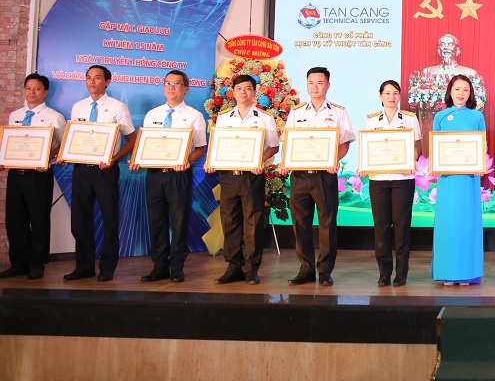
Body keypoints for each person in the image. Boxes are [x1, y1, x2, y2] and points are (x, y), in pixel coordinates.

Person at [130, 70, 207, 284]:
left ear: (186, 88)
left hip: (179, 175)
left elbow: (200, 148)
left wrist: (187, 160)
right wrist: (138, 159)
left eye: (176, 83)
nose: (171, 87)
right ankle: (159, 266)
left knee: (180, 221)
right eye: (167, 83)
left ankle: (176, 267)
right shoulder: (152, 115)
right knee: (156, 221)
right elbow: (145, 145)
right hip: (154, 175)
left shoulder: (194, 116)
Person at [62, 65, 136, 283]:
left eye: (97, 78)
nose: (92, 81)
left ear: (107, 81)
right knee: (79, 221)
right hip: (81, 170)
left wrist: (114, 159)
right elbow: (73, 137)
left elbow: (132, 139)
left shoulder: (117, 107)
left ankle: (107, 267)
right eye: (88, 78)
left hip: (106, 171)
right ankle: (84, 267)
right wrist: (66, 153)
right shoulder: (78, 107)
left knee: (109, 219)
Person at [284, 66, 354, 286]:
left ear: (328, 85)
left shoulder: (338, 112)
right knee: (300, 224)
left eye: (320, 83)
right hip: (300, 176)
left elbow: (345, 143)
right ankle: (305, 269)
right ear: (307, 85)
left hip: (324, 176)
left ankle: (325, 271)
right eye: (311, 83)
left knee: (327, 223)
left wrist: (334, 159)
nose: (315, 87)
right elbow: (289, 142)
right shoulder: (296, 112)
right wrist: (286, 163)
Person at [207, 74, 279, 285]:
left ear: (254, 92)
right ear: (233, 92)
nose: (243, 92)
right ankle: (233, 267)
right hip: (229, 176)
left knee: (253, 222)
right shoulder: (224, 118)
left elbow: (274, 146)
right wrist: (211, 161)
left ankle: (251, 268)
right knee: (229, 221)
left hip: (252, 177)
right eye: (239, 88)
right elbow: (217, 145)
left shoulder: (264, 118)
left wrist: (261, 158)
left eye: (247, 88)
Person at [0, 73, 66, 280]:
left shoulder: (54, 117)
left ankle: (37, 264)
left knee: (38, 220)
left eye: (37, 89)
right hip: (16, 174)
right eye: (28, 88)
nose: (32, 92)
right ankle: (19, 263)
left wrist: (47, 157)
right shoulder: (15, 115)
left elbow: (64, 144)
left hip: (39, 176)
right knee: (15, 220)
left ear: (45, 92)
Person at [362, 80, 421, 287]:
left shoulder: (409, 118)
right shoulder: (372, 120)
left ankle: (401, 273)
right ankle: (384, 272)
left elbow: (417, 145)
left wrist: (412, 161)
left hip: (403, 179)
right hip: (378, 179)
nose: (391, 97)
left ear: (400, 96)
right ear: (380, 96)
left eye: (395, 93)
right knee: (381, 227)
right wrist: (364, 164)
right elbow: (368, 147)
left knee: (402, 226)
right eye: (387, 93)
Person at [431, 74, 485, 285]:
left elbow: (482, 145)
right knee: (448, 222)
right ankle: (447, 272)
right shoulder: (441, 116)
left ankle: (466, 273)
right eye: (457, 89)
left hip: (469, 178)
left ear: (470, 93)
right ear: (450, 92)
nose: (461, 93)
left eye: (465, 90)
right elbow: (435, 146)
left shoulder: (477, 116)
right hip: (448, 179)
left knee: (467, 223)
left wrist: (479, 164)